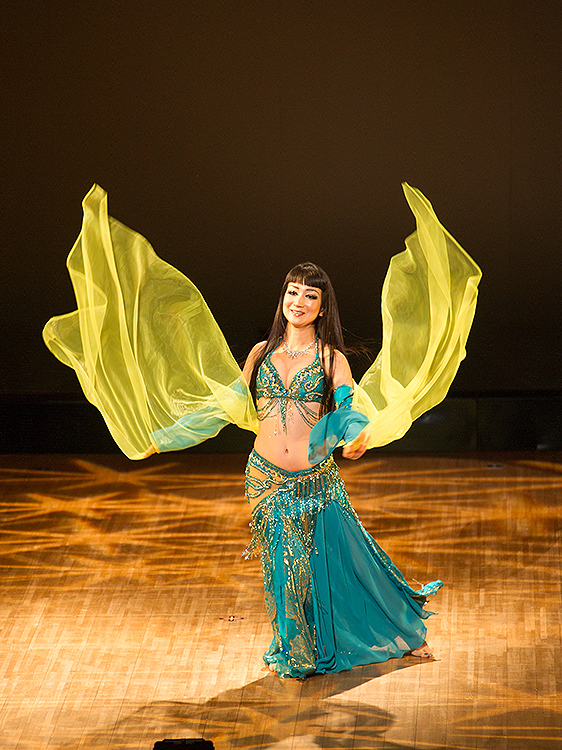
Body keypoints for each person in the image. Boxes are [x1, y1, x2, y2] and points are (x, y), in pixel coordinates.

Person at [43, 182, 481, 679]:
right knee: (283, 570)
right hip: (266, 478)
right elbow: (223, 405)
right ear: (283, 298)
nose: (299, 301)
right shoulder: (260, 353)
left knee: (343, 563)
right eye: (292, 292)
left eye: (310, 295)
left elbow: (348, 406)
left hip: (315, 483)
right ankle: (295, 649)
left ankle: (401, 630)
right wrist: (160, 439)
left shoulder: (331, 358)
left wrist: (355, 434)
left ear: (322, 307)